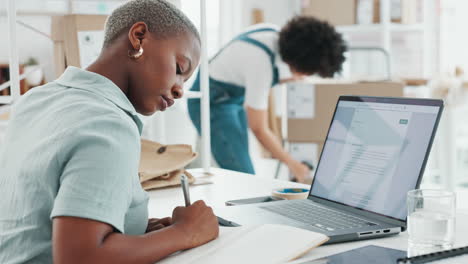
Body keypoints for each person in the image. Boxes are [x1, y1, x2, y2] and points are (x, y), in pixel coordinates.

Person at [0, 0, 219, 263]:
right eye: (180, 69)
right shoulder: (108, 123)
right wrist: (185, 232)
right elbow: (79, 257)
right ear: (138, 37)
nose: (180, 90)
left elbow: (38, 215)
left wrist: (129, 229)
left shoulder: (36, 100)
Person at [188, 16, 347, 182]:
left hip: (232, 98)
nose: (305, 76)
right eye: (308, 71)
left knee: (241, 161)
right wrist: (294, 165)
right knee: (243, 174)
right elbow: (259, 129)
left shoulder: (273, 34)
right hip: (209, 103)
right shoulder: (261, 64)